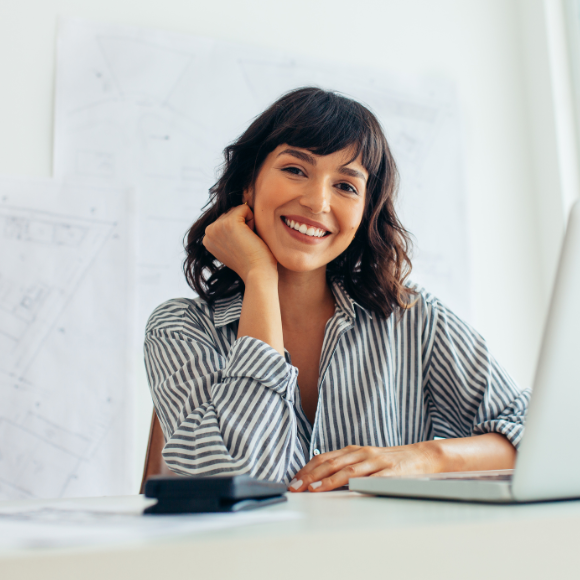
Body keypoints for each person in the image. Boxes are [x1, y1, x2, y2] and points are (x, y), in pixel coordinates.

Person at [144, 87, 529, 493]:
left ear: (364, 213)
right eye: (295, 169)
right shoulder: (179, 328)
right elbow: (238, 481)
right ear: (248, 187)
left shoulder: (412, 317)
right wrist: (259, 277)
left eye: (346, 186)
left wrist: (423, 457)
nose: (316, 201)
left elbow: (542, 436)